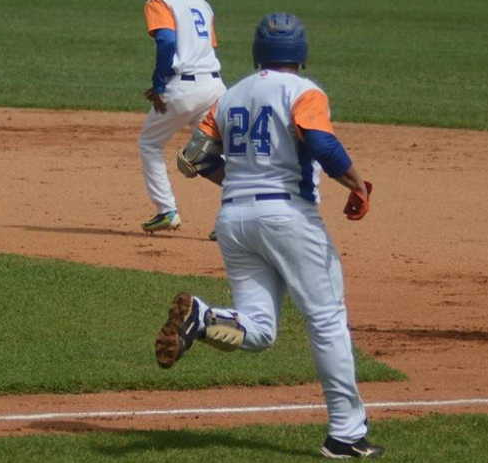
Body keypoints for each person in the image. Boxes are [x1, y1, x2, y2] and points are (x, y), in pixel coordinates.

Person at [155, 12, 384, 459]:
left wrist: (242, 178)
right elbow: (321, 143)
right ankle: (345, 432)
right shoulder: (304, 91)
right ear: (301, 53)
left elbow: (191, 159)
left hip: (234, 222)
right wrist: (356, 182)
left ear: (259, 51)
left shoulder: (231, 95)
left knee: (259, 330)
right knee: (327, 319)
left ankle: (201, 316)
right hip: (288, 220)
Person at [139, 0, 226, 234]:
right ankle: (234, 216)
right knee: (224, 151)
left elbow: (167, 40)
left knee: (150, 144)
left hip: (181, 89)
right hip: (215, 87)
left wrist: (158, 83)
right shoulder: (203, 5)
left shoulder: (160, 2)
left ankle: (166, 210)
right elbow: (207, 47)